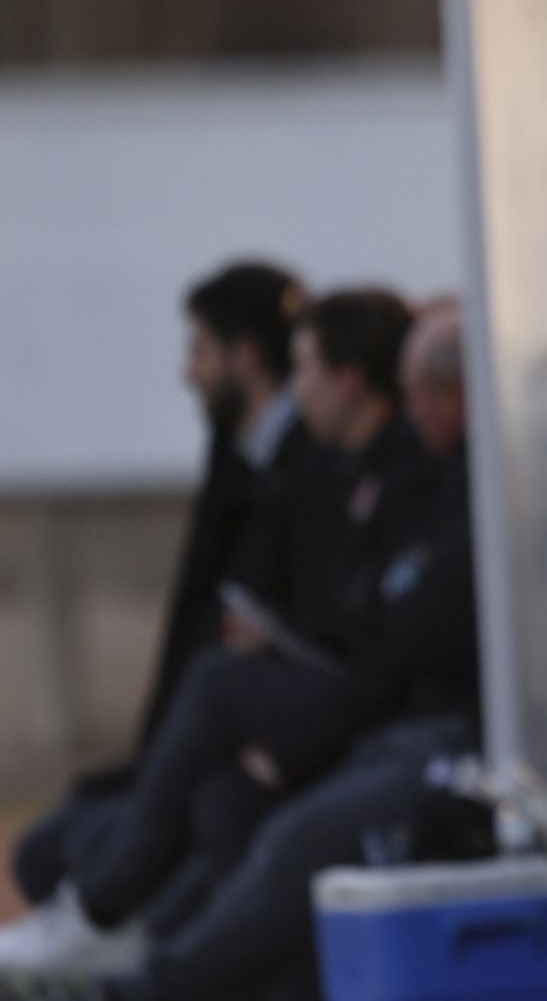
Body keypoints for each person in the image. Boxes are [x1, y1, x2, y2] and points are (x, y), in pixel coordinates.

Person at [0, 290, 423, 983]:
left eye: (309, 369)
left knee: (226, 754)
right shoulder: (313, 471)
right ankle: (132, 944)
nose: (186, 374)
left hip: (355, 736)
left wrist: (288, 751)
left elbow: (385, 651)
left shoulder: (382, 479)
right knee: (77, 832)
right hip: (312, 727)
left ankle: (120, 934)